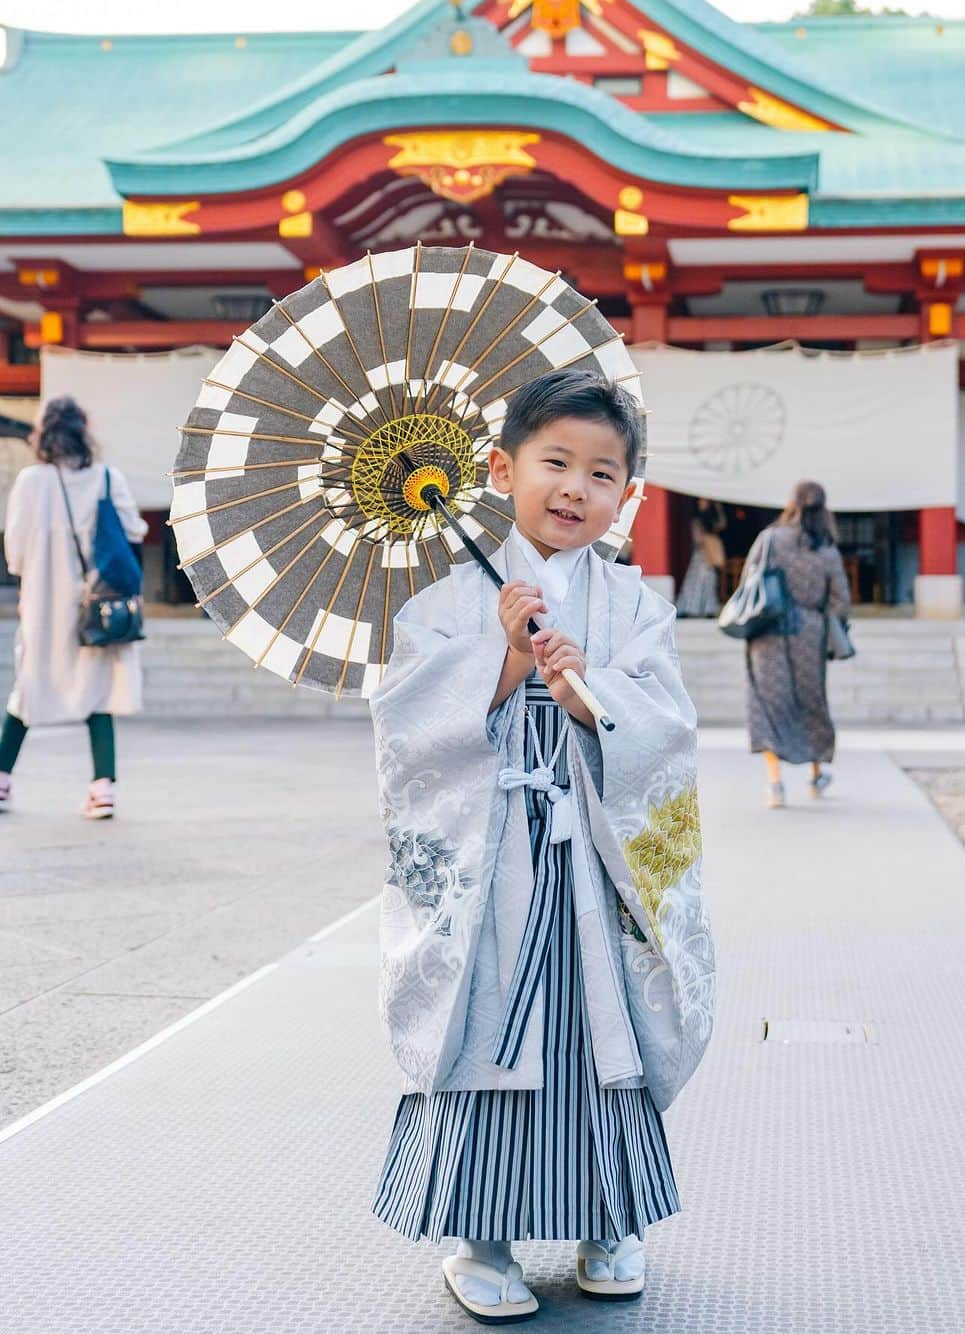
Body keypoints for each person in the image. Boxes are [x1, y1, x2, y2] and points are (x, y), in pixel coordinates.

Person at [369, 369, 715, 1322]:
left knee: (607, 1031)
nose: (576, 489)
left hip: (596, 863)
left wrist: (593, 696)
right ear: (499, 467)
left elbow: (669, 728)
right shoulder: (446, 600)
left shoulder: (635, 606)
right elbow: (404, 730)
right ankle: (481, 1235)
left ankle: (614, 1215)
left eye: (603, 473)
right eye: (555, 462)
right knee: (488, 1028)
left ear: (626, 494)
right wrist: (508, 660)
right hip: (491, 866)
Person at [0, 396, 147, 819]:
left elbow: (15, 555)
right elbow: (135, 530)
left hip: (45, 607)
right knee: (98, 692)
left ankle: (3, 780)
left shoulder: (31, 482)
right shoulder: (107, 478)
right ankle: (102, 789)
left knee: (29, 686)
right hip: (100, 604)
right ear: (85, 432)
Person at [741, 480, 850, 809]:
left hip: (768, 631)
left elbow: (750, 580)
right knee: (811, 702)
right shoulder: (828, 550)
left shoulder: (770, 539)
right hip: (810, 633)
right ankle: (816, 775)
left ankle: (775, 785)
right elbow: (840, 600)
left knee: (768, 702)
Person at [675, 497, 727, 617]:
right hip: (701, 554)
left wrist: (718, 506)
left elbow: (722, 523)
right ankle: (691, 609)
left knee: (709, 581)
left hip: (708, 553)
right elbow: (697, 539)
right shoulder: (696, 521)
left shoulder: (712, 522)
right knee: (696, 582)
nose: (700, 502)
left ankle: (708, 609)